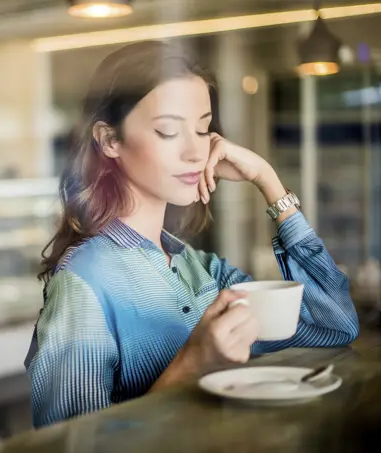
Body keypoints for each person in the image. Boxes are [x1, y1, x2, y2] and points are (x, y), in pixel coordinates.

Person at [24, 41, 359, 428]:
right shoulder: (84, 284)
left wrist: (267, 180)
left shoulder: (197, 269)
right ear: (110, 140)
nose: (195, 152)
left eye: (203, 130)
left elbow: (334, 325)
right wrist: (192, 363)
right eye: (168, 131)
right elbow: (69, 445)